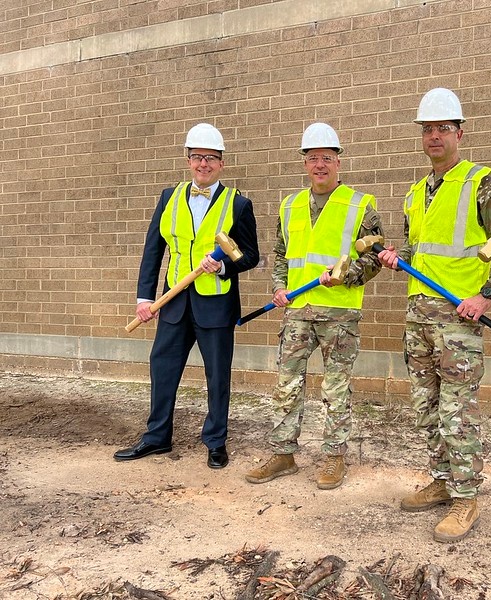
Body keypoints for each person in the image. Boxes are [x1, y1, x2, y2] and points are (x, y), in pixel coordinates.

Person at [377, 88, 491, 543]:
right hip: (419, 316)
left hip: (459, 319)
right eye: (428, 129)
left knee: (458, 411)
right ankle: (442, 480)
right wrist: (396, 257)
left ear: (460, 132)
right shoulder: (415, 193)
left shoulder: (482, 182)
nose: (435, 136)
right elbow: (423, 253)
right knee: (427, 407)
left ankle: (466, 497)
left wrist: (486, 296)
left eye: (443, 128)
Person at [244, 123, 383, 491]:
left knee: (336, 388)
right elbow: (279, 254)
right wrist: (278, 286)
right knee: (287, 384)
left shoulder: (360, 205)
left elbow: (375, 260)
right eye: (312, 158)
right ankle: (283, 453)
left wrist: (345, 275)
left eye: (326, 157)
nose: (319, 164)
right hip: (296, 312)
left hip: (339, 314)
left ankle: (334, 458)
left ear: (338, 161)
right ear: (304, 163)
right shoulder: (289, 205)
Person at [114, 123, 260, 469]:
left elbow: (251, 255)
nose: (203, 164)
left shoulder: (238, 204)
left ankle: (215, 442)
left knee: (217, 376)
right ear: (188, 159)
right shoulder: (169, 197)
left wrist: (223, 267)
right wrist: (143, 298)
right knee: (162, 368)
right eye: (197, 157)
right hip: (174, 303)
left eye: (210, 158)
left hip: (216, 305)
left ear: (221, 163)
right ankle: (156, 437)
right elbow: (153, 250)